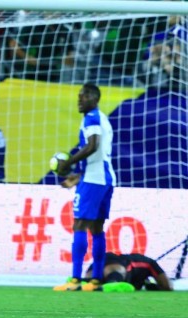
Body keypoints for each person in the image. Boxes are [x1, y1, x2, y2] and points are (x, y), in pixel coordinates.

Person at [53, 83, 116, 292]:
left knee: (79, 226)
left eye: (85, 96)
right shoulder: (104, 119)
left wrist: (68, 162)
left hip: (93, 180)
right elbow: (98, 155)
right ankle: (96, 280)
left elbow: (92, 146)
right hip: (105, 179)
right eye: (79, 96)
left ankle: (75, 280)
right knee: (97, 229)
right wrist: (78, 177)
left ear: (95, 99)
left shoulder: (91, 118)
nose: (80, 100)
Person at [85, 252, 173, 291]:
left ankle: (85, 282)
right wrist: (154, 287)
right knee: (115, 270)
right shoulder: (148, 262)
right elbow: (168, 286)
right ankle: (112, 282)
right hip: (119, 266)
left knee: (94, 275)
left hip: (102, 261)